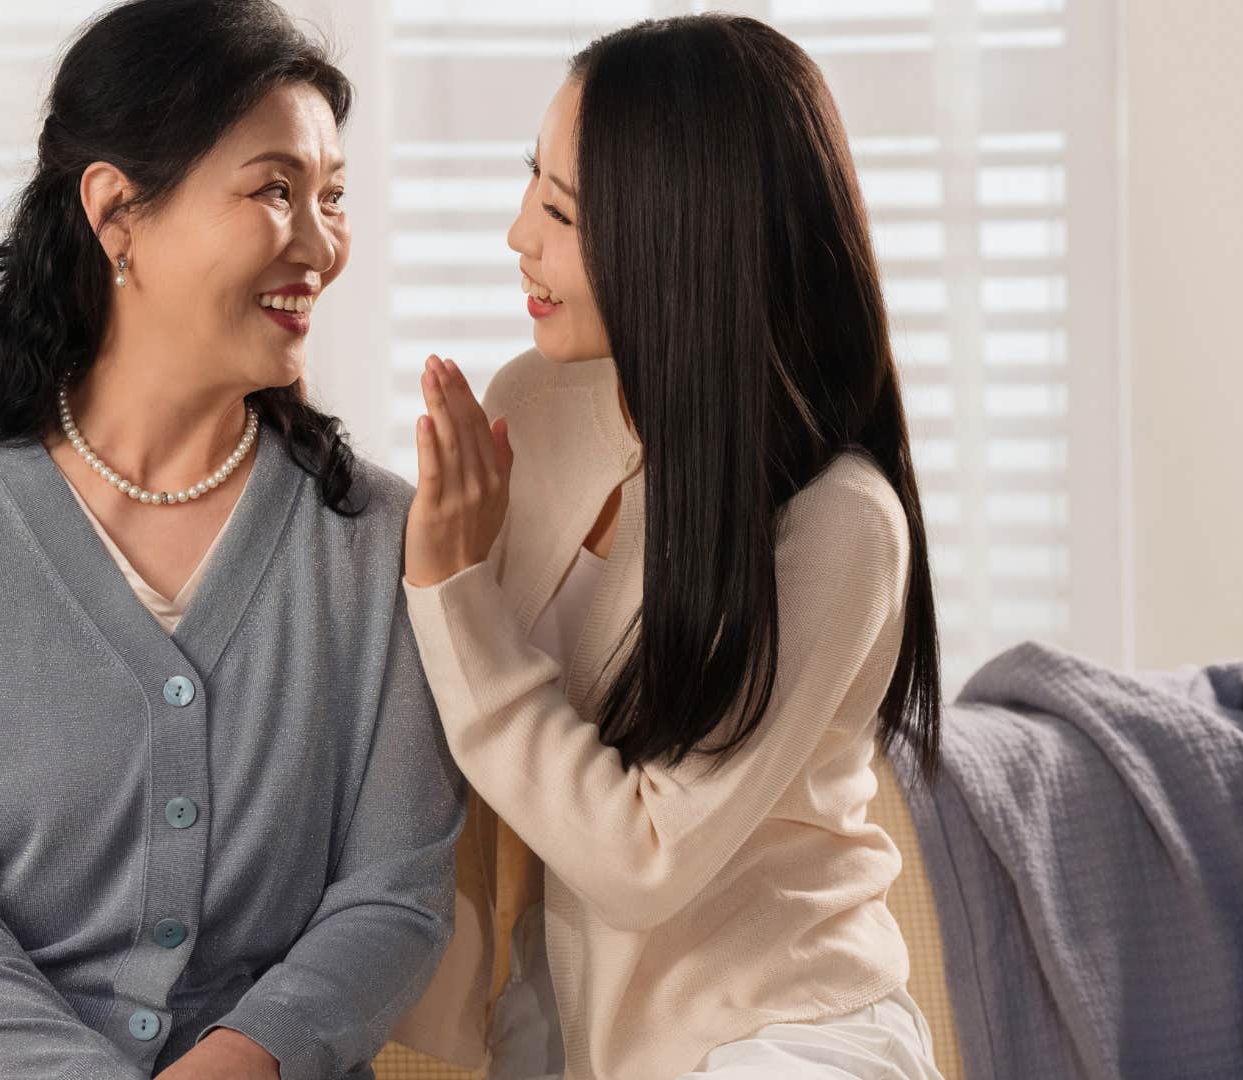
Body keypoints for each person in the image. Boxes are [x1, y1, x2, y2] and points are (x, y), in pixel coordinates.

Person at [0, 2, 463, 1077]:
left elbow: (394, 893)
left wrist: (240, 1057)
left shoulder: (374, 540)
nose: (321, 243)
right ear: (116, 212)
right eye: (273, 190)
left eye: (332, 198)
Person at [395, 14, 946, 1079]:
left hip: (788, 1037)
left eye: (559, 209)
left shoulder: (838, 521)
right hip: (569, 1039)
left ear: (676, 231)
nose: (519, 235)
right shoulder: (531, 406)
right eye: (530, 186)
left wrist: (453, 590)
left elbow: (643, 856)